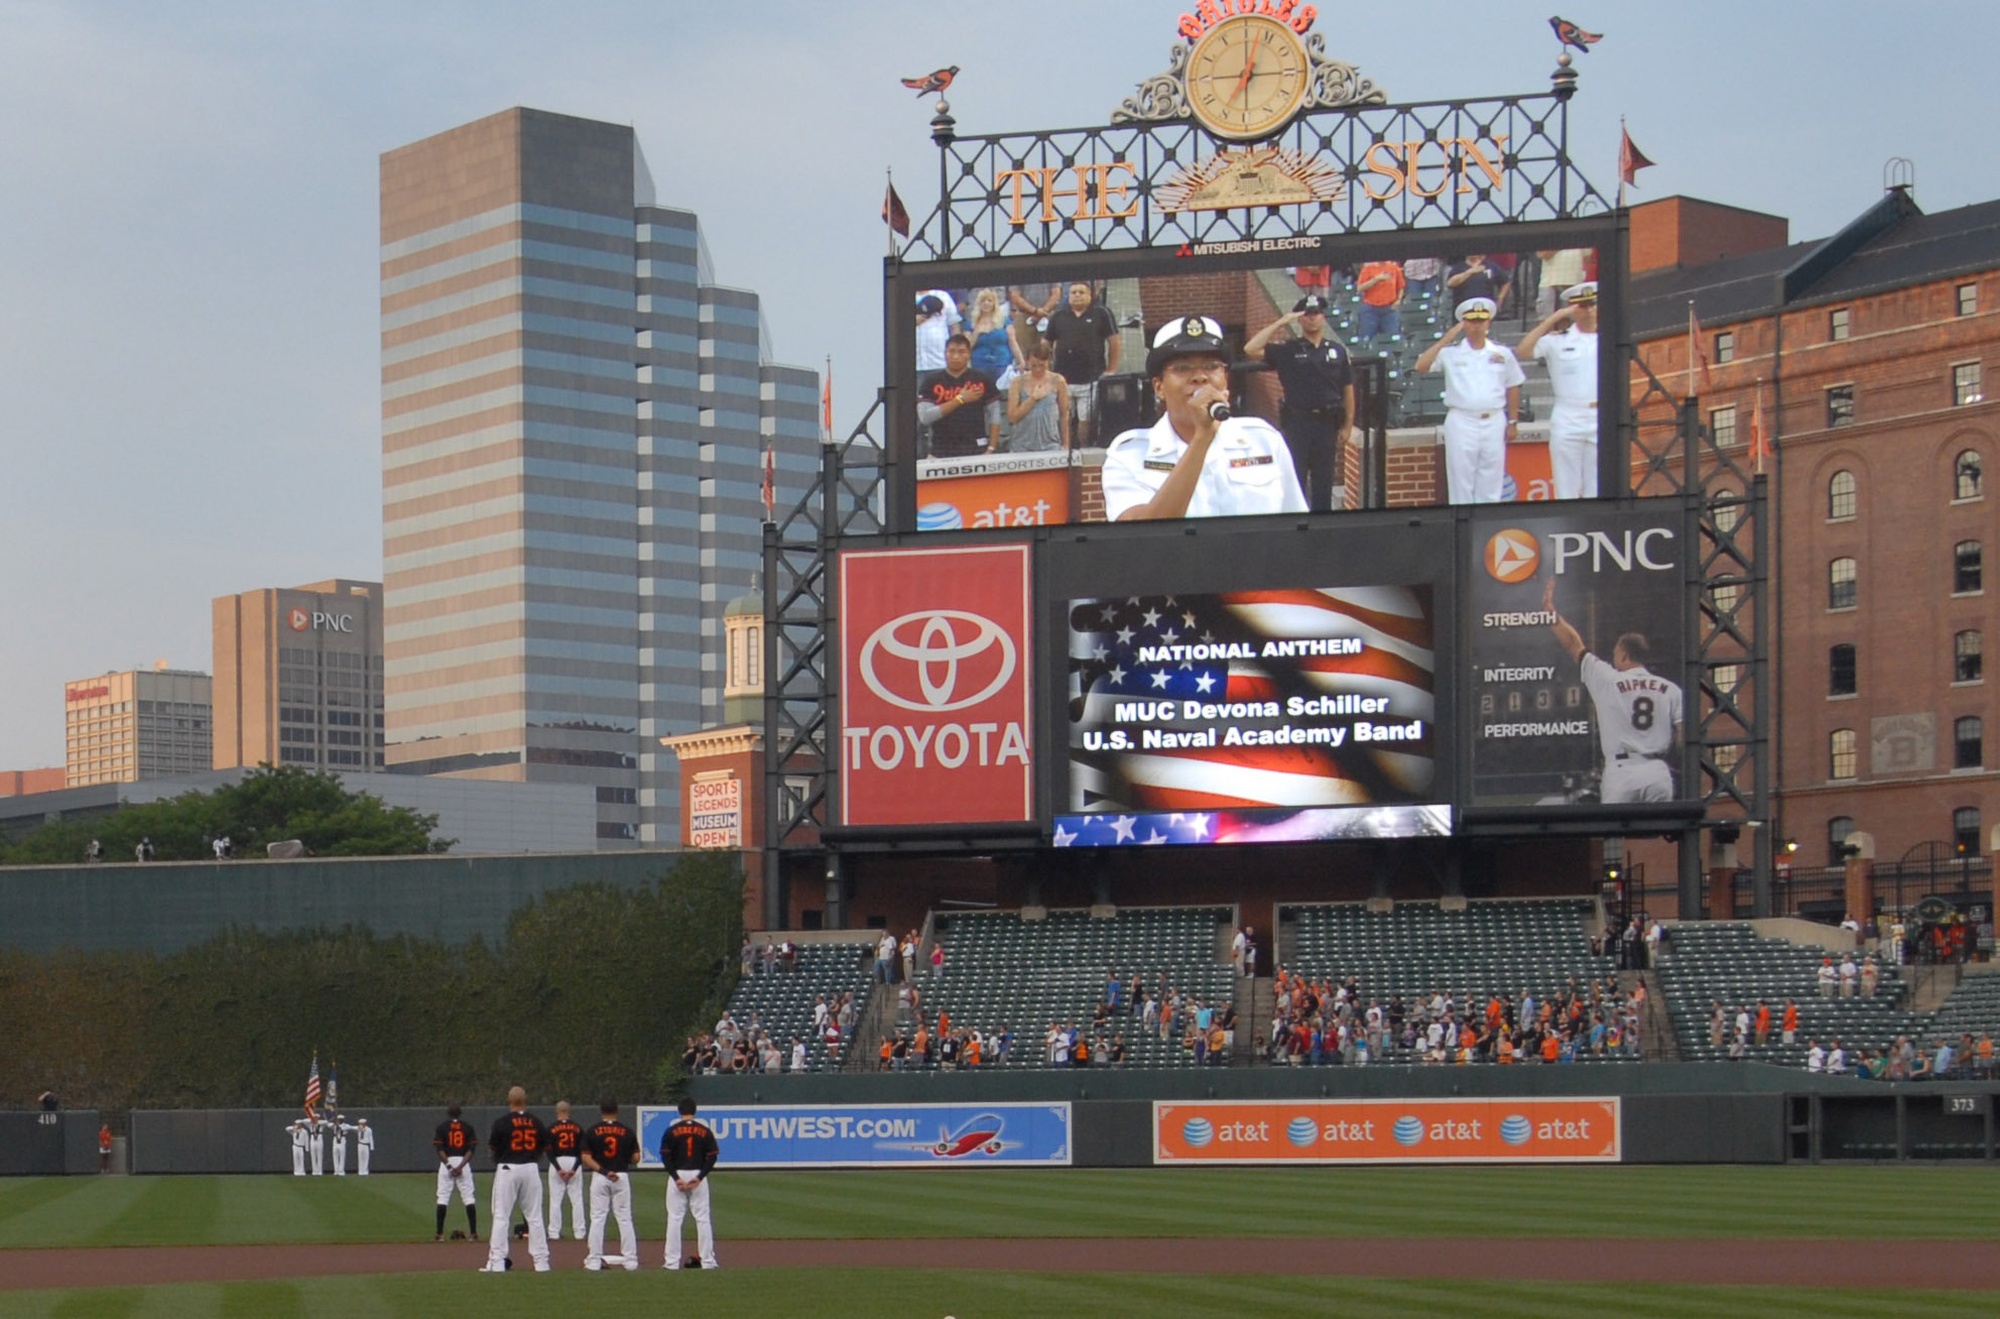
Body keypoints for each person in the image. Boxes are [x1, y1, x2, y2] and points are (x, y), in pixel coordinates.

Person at [1102, 316, 1307, 521]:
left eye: (1211, 366)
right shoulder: (1129, 454)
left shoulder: (1263, 440)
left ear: (1225, 380)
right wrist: (1202, 438)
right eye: (1182, 368)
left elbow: (1297, 528)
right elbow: (1139, 537)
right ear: (1159, 387)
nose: (1200, 377)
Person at [1543, 579, 1684, 801]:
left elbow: (1574, 645)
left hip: (1621, 771)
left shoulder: (1608, 679)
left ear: (1624, 655)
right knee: (1659, 828)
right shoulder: (1671, 690)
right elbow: (1682, 738)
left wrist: (1551, 614)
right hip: (1657, 770)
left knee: (1616, 832)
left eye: (1616, 653)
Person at [1243, 295, 1355, 510]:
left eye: (1316, 314)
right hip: (1298, 423)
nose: (1312, 319)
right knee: (1295, 480)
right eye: (1307, 315)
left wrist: (1348, 425)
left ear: (1323, 317)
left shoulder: (1337, 351)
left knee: (1324, 482)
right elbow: (1251, 349)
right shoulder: (1288, 350)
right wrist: (1281, 322)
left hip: (1327, 424)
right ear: (1300, 320)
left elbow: (1348, 390)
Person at [1415, 298, 1521, 503]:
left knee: (1491, 480)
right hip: (1462, 420)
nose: (1477, 325)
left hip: (1494, 420)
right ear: (1463, 324)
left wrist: (1513, 421)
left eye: (1481, 320)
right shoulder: (1450, 353)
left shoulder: (1502, 353)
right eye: (1471, 321)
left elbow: (1514, 384)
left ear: (1488, 322)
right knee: (1460, 481)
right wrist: (1446, 339)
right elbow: (1421, 366)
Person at [1516, 281, 1599, 499]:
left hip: (1601, 415)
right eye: (1582, 306)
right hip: (1569, 414)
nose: (1589, 310)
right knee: (1566, 486)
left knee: (1599, 486)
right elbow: (1524, 350)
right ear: (1572, 309)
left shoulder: (1609, 338)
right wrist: (1554, 318)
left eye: (1593, 304)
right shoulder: (1557, 340)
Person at [482, 1086, 550, 1273]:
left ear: (509, 1100)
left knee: (501, 1216)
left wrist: (500, 1161)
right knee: (535, 1217)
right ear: (525, 1100)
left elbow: (492, 1150)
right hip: (530, 1168)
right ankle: (541, 1262)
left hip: (508, 1167)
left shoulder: (501, 1122)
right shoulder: (535, 1121)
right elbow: (545, 1147)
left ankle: (497, 1261)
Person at [1043, 282, 1120, 446]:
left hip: (1091, 379)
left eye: (1081, 292)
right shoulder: (1058, 316)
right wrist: (1047, 372)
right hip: (1063, 379)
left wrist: (1111, 370)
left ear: (1090, 295)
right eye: (1073, 292)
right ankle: (1066, 448)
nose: (1077, 295)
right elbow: (1045, 344)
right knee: (1064, 418)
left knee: (1086, 420)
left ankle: (1084, 449)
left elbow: (1114, 342)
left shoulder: (1102, 313)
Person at [660, 1096, 719, 1270]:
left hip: (678, 1173)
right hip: (697, 1174)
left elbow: (665, 1156)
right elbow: (713, 1156)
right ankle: (707, 1261)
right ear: (695, 1111)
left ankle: (671, 1262)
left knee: (674, 1219)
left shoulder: (671, 1131)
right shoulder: (704, 1130)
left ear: (679, 1112)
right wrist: (700, 1177)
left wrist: (676, 1177)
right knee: (702, 1219)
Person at [916, 334, 997, 458]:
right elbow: (925, 417)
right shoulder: (931, 381)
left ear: (969, 354)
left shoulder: (982, 379)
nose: (956, 356)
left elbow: (995, 414)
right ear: (945, 353)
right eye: (951, 351)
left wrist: (991, 447)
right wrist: (960, 399)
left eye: (961, 351)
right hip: (941, 450)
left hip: (976, 449)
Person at [581, 1098, 640, 1271]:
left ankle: (594, 1260)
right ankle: (630, 1260)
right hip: (621, 1176)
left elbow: (585, 1157)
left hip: (601, 1176)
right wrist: (622, 1158)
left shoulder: (593, 1131)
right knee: (624, 1218)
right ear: (617, 1111)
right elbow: (636, 1158)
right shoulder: (626, 1131)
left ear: (601, 1111)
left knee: (598, 1218)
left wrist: (605, 1171)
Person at [966, 288, 1022, 442]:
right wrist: (976, 332)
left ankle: (1004, 438)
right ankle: (982, 438)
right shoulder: (971, 323)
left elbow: (1012, 342)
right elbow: (966, 347)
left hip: (1001, 367)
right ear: (979, 303)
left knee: (1000, 404)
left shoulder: (1004, 321)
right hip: (979, 369)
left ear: (994, 303)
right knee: (981, 405)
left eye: (989, 300)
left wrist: (1021, 361)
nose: (986, 303)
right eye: (983, 300)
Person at [1005, 339, 1071, 453]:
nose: (1038, 369)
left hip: (1051, 444)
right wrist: (1032, 399)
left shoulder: (1058, 381)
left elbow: (1064, 415)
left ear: (1048, 361)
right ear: (1027, 362)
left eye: (1042, 365)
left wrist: (1066, 444)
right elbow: (1012, 417)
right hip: (1022, 445)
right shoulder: (1018, 382)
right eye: (1034, 365)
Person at [434, 1103, 479, 1242]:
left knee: (442, 1197)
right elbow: (471, 1150)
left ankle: (439, 1234)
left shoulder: (442, 1127)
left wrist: (449, 1165)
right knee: (468, 1197)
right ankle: (473, 1233)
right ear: (460, 1113)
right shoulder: (467, 1127)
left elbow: (439, 1149)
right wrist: (461, 1166)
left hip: (446, 1161)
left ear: (448, 1113)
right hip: (463, 1161)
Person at [547, 1100, 585, 1242]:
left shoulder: (551, 1128)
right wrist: (574, 1169)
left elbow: (548, 1151)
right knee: (576, 1200)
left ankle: (554, 1232)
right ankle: (579, 1233)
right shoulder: (578, 1128)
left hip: (558, 1161)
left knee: (555, 1200)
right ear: (568, 1112)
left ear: (557, 1112)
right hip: (574, 1161)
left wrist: (558, 1168)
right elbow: (583, 1151)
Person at [1353, 259, 1406, 348]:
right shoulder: (1368, 268)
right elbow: (1360, 288)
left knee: (1393, 339)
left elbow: (1401, 286)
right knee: (1367, 339)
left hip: (1389, 310)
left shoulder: (1394, 268)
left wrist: (1398, 300)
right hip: (1370, 310)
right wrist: (1376, 279)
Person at [913, 289, 959, 372]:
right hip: (915, 363)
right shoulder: (905, 295)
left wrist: (955, 353)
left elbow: (954, 325)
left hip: (940, 362)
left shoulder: (943, 296)